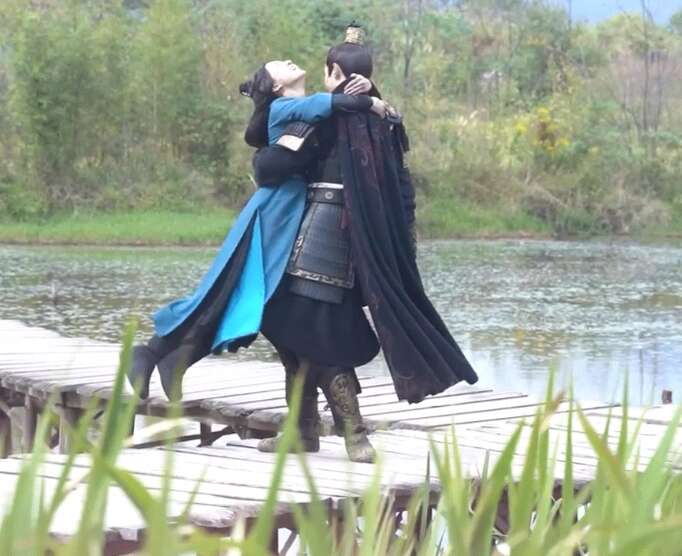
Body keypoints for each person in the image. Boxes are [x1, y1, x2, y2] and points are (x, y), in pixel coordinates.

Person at [252, 25, 479, 461]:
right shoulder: (388, 119)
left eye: (327, 72)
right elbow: (402, 188)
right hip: (365, 244)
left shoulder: (326, 117)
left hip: (321, 239)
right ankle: (302, 431)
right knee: (296, 332)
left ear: (334, 73)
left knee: (310, 332)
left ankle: (353, 434)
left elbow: (270, 167)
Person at [126, 58, 385, 409]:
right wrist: (372, 102)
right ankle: (149, 352)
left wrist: (368, 92)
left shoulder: (296, 109)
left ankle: (177, 358)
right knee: (228, 285)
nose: (288, 61)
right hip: (273, 211)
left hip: (288, 209)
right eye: (278, 65)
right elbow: (331, 103)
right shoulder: (285, 107)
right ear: (275, 86)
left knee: (241, 292)